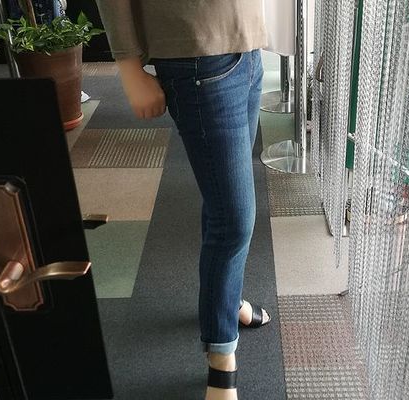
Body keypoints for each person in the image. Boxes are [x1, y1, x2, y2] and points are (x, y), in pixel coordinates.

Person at [95, 1, 272, 399]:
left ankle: (225, 302)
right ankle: (221, 357)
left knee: (223, 202)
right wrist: (128, 67)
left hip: (246, 42)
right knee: (235, 218)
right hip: (195, 53)